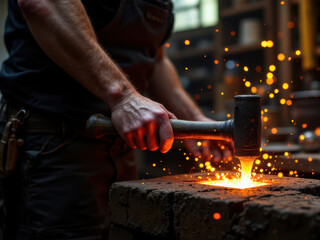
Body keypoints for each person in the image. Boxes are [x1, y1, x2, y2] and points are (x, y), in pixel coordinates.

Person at [0, 0, 232, 239]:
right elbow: (42, 4)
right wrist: (123, 97)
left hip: (121, 147)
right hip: (52, 150)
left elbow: (156, 58)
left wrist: (194, 120)